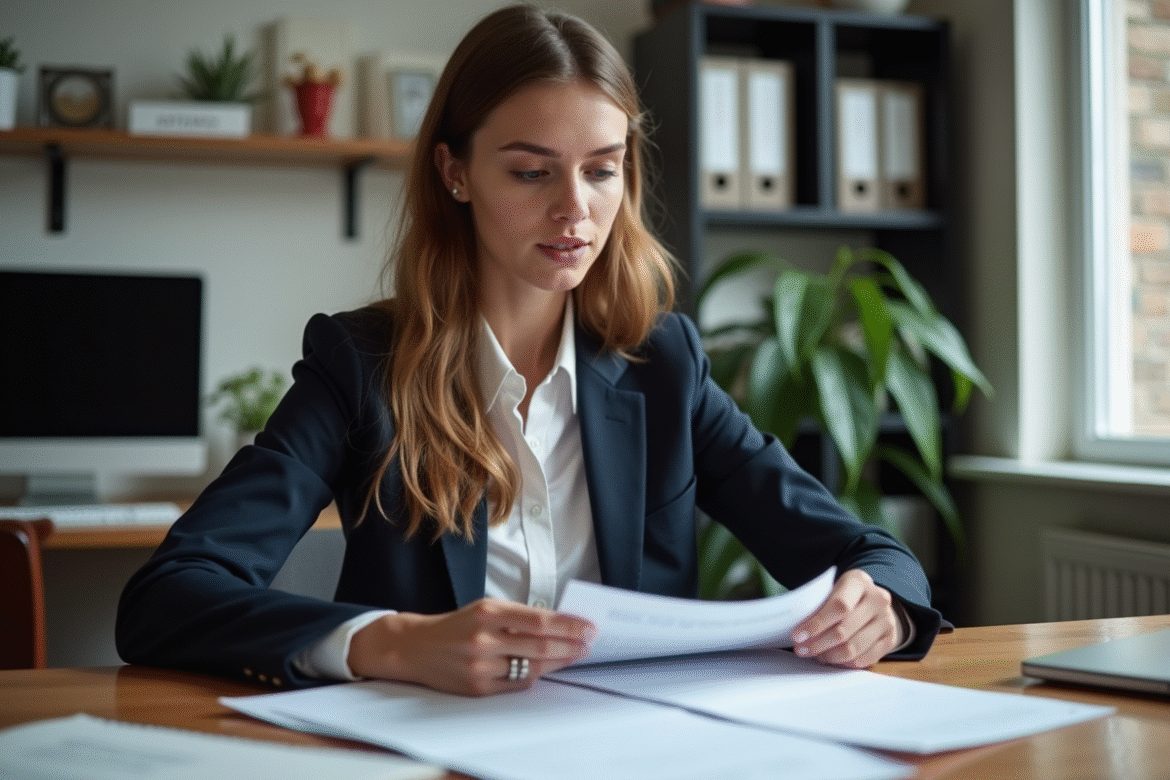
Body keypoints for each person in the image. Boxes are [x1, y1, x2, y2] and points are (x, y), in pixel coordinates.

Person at [116, 3, 945, 697]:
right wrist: (394, 642)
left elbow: (872, 555)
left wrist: (881, 603)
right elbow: (168, 597)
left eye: (601, 171)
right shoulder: (360, 366)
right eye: (531, 173)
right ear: (455, 172)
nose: (575, 211)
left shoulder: (666, 367)